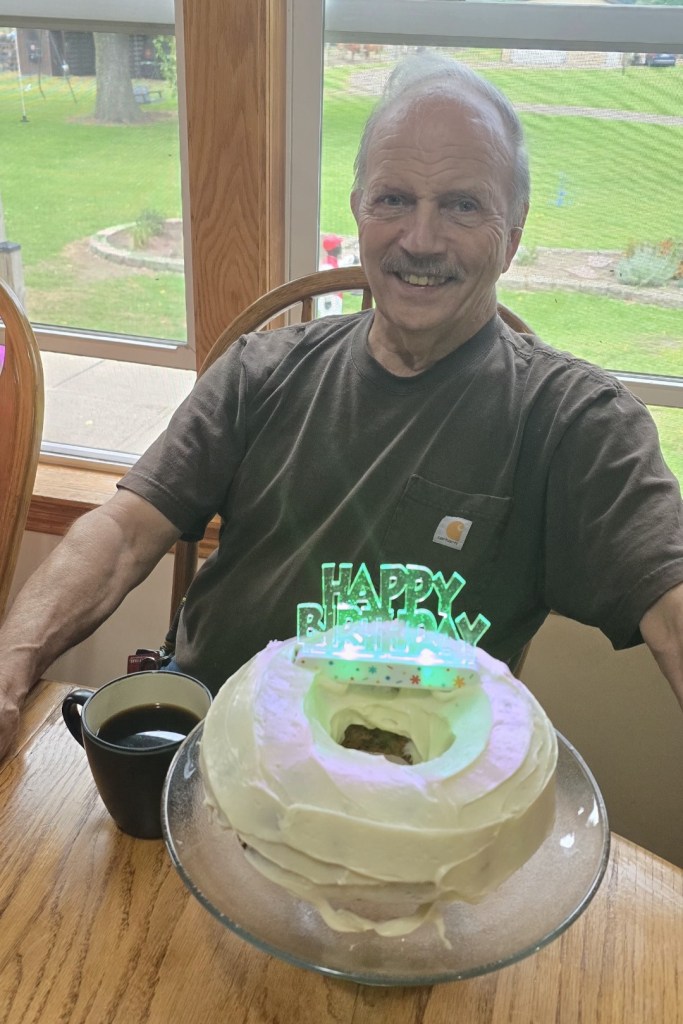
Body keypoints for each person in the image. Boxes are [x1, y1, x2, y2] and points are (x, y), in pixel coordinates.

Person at [1, 55, 682, 759]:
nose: (420, 239)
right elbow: (121, 534)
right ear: (358, 210)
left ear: (511, 234)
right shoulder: (261, 371)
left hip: (412, 791)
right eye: (394, 199)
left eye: (461, 205)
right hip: (208, 754)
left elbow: (672, 609)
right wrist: (8, 668)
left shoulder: (574, 422)